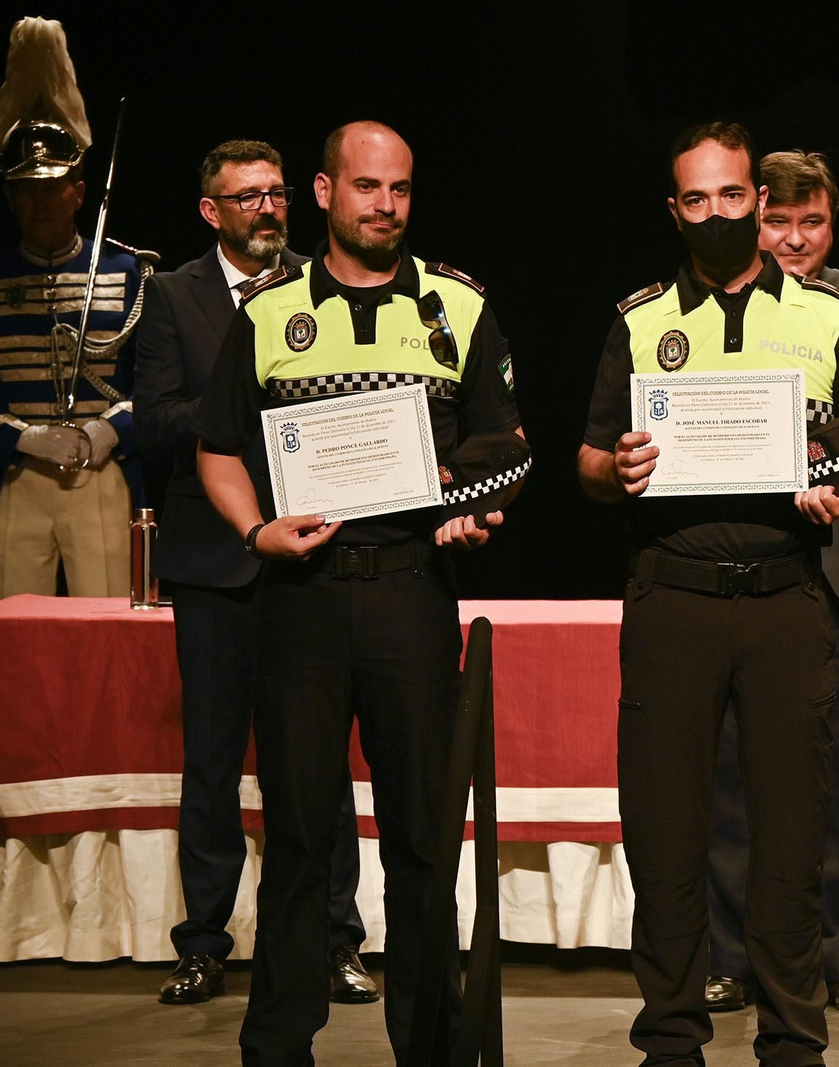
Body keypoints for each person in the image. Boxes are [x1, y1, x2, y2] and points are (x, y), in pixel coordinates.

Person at [194, 121, 523, 1065]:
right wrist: (258, 529)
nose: (386, 205)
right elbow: (220, 445)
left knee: (423, 837)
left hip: (413, 594)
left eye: (402, 189)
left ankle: (428, 1045)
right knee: (298, 834)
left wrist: (471, 506)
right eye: (368, 186)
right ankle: (277, 1047)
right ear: (325, 191)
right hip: (300, 596)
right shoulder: (267, 312)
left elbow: (505, 443)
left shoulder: (456, 305)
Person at [579, 121, 839, 1067]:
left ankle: (795, 1039)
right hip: (671, 595)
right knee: (668, 834)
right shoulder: (639, 320)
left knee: (793, 836)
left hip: (786, 596)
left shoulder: (826, 314)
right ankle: (671, 1038)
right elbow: (590, 456)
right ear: (673, 210)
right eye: (696, 199)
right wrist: (619, 468)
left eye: (732, 195)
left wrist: (838, 475)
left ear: (757, 202)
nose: (717, 212)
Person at [134, 140, 374, 1008]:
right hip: (215, 562)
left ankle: (335, 939)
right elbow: (156, 424)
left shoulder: (323, 281)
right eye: (247, 199)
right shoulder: (171, 298)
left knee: (316, 763)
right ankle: (203, 943)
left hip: (311, 557)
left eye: (276, 195)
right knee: (211, 763)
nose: (268, 210)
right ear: (212, 212)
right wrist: (250, 397)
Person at [706, 150, 839, 1016]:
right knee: (732, 769)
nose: (793, 241)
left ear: (833, 226)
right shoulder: (715, 304)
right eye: (776, 222)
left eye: (812, 223)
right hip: (743, 557)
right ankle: (731, 957)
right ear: (749, 223)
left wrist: (806, 415)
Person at [0, 16, 155, 597]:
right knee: (11, 637)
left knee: (109, 620)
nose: (38, 201)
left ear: (80, 190)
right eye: (24, 188)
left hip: (100, 468)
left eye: (51, 185)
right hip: (15, 472)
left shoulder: (127, 272)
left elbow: (156, 381)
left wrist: (107, 432)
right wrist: (20, 437)